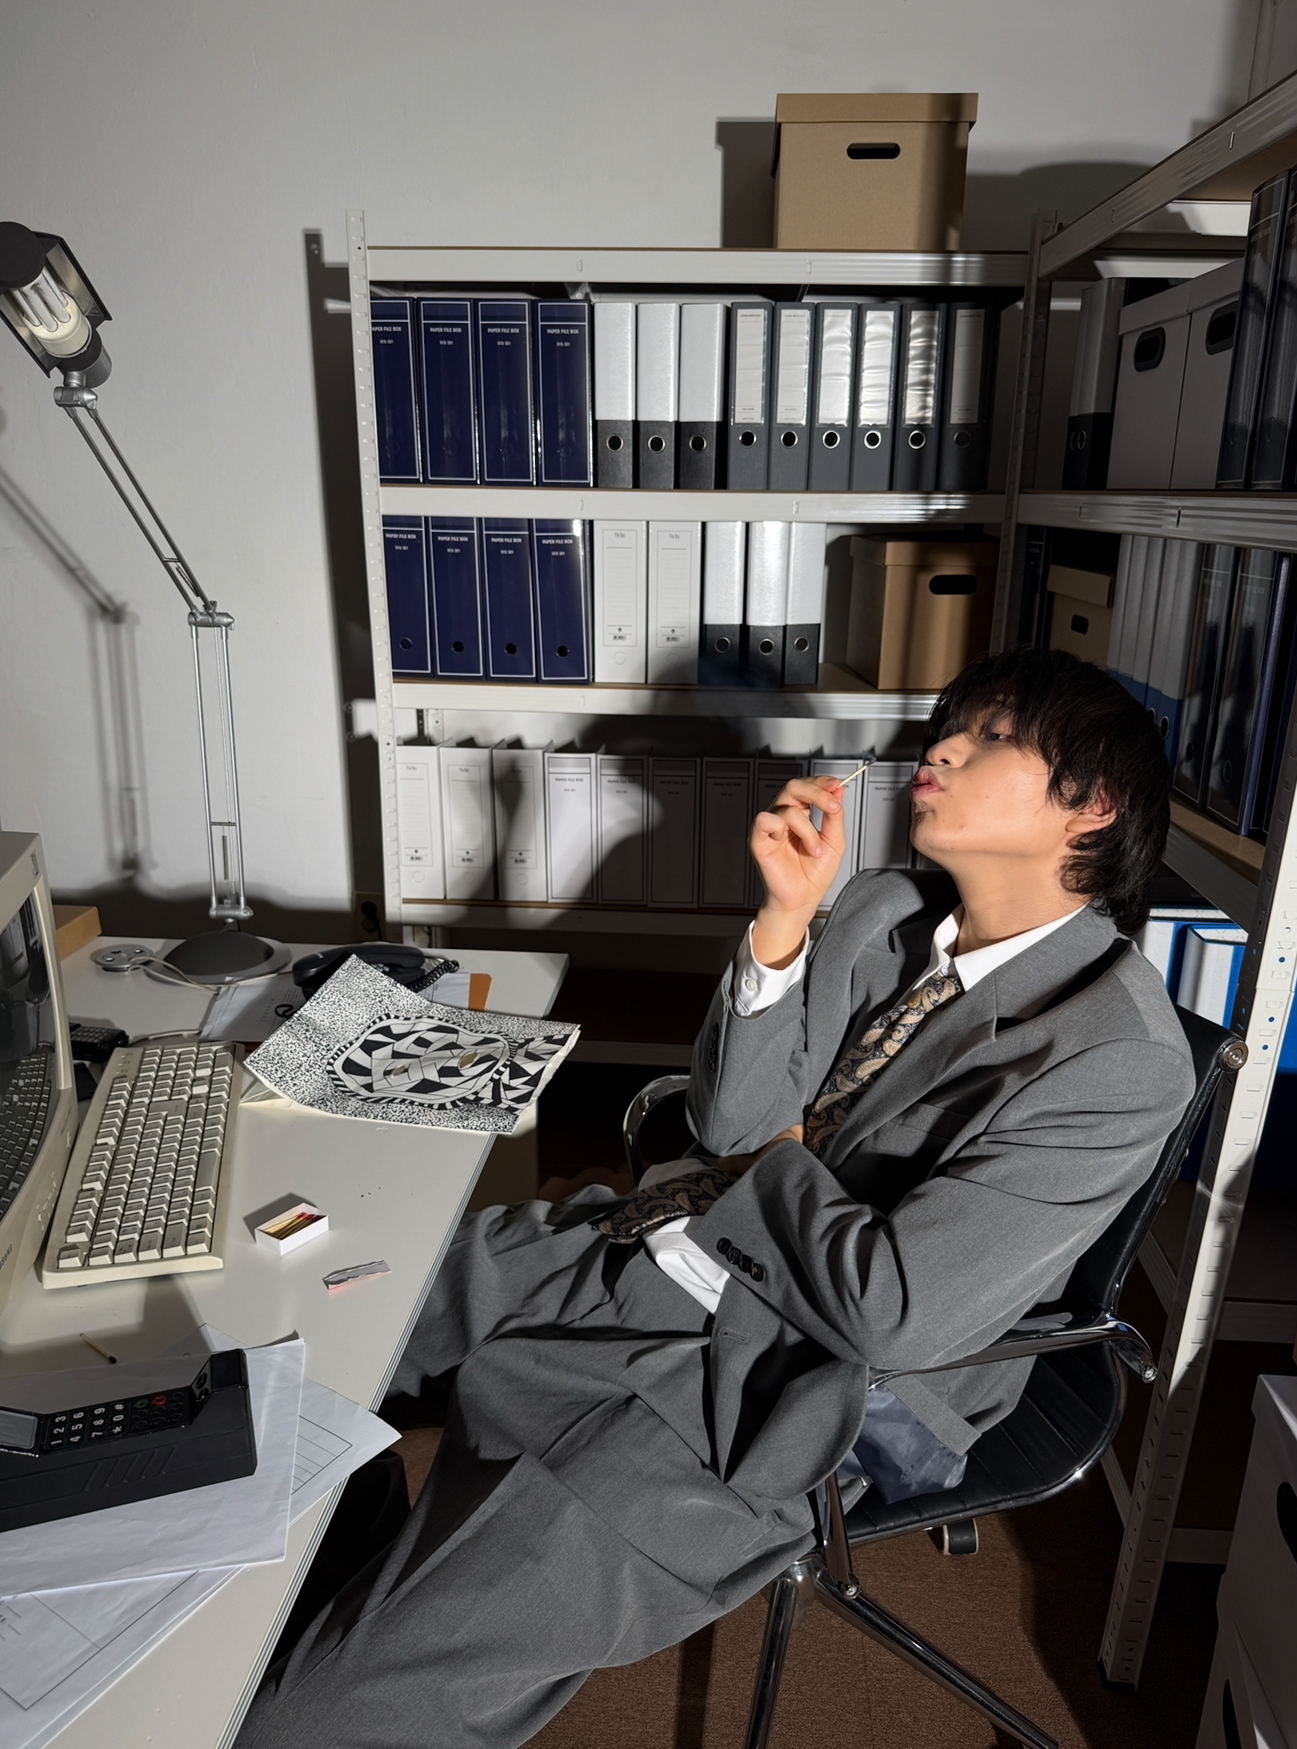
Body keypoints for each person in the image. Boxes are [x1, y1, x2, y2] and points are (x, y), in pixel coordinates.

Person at [235, 647, 1194, 1749]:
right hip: (634, 1243)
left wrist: (770, 1163)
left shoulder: (1117, 1053)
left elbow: (893, 1312)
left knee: (324, 1719)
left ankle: (353, 1628)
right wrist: (783, 928)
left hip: (763, 1386)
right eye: (950, 727)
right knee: (277, 1339)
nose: (941, 749)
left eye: (992, 738)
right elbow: (732, 1125)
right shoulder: (881, 906)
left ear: (1093, 804)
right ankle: (341, 1561)